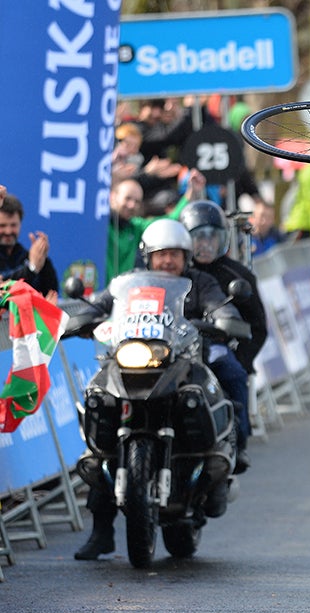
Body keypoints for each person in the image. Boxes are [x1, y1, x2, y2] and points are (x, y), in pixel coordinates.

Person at [74, 218, 249, 560]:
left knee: (229, 369)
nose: (168, 261)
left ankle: (234, 442)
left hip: (182, 360)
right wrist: (82, 316)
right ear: (147, 256)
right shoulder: (127, 284)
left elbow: (219, 306)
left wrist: (221, 319)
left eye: (175, 254)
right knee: (99, 404)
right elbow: (98, 304)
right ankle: (101, 532)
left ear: (186, 257)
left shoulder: (200, 282)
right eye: (161, 254)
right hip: (130, 360)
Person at [179, 200, 267, 473]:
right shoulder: (172, 271)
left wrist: (241, 357)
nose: (205, 244)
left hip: (218, 346)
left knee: (232, 373)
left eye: (211, 237)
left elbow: (258, 326)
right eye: (197, 237)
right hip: (172, 348)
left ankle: (238, 442)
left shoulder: (238, 274)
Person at [106, 171, 205, 284]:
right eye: (128, 199)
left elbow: (168, 222)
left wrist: (191, 192)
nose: (132, 205)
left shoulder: (135, 226)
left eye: (137, 201)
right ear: (112, 197)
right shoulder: (97, 224)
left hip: (121, 294)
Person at [0, 192, 59, 298]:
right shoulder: (31, 263)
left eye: (13, 225)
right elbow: (3, 284)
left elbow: (51, 292)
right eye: (2, 226)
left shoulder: (26, 255)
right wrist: (31, 269)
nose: (8, 231)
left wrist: (43, 260)